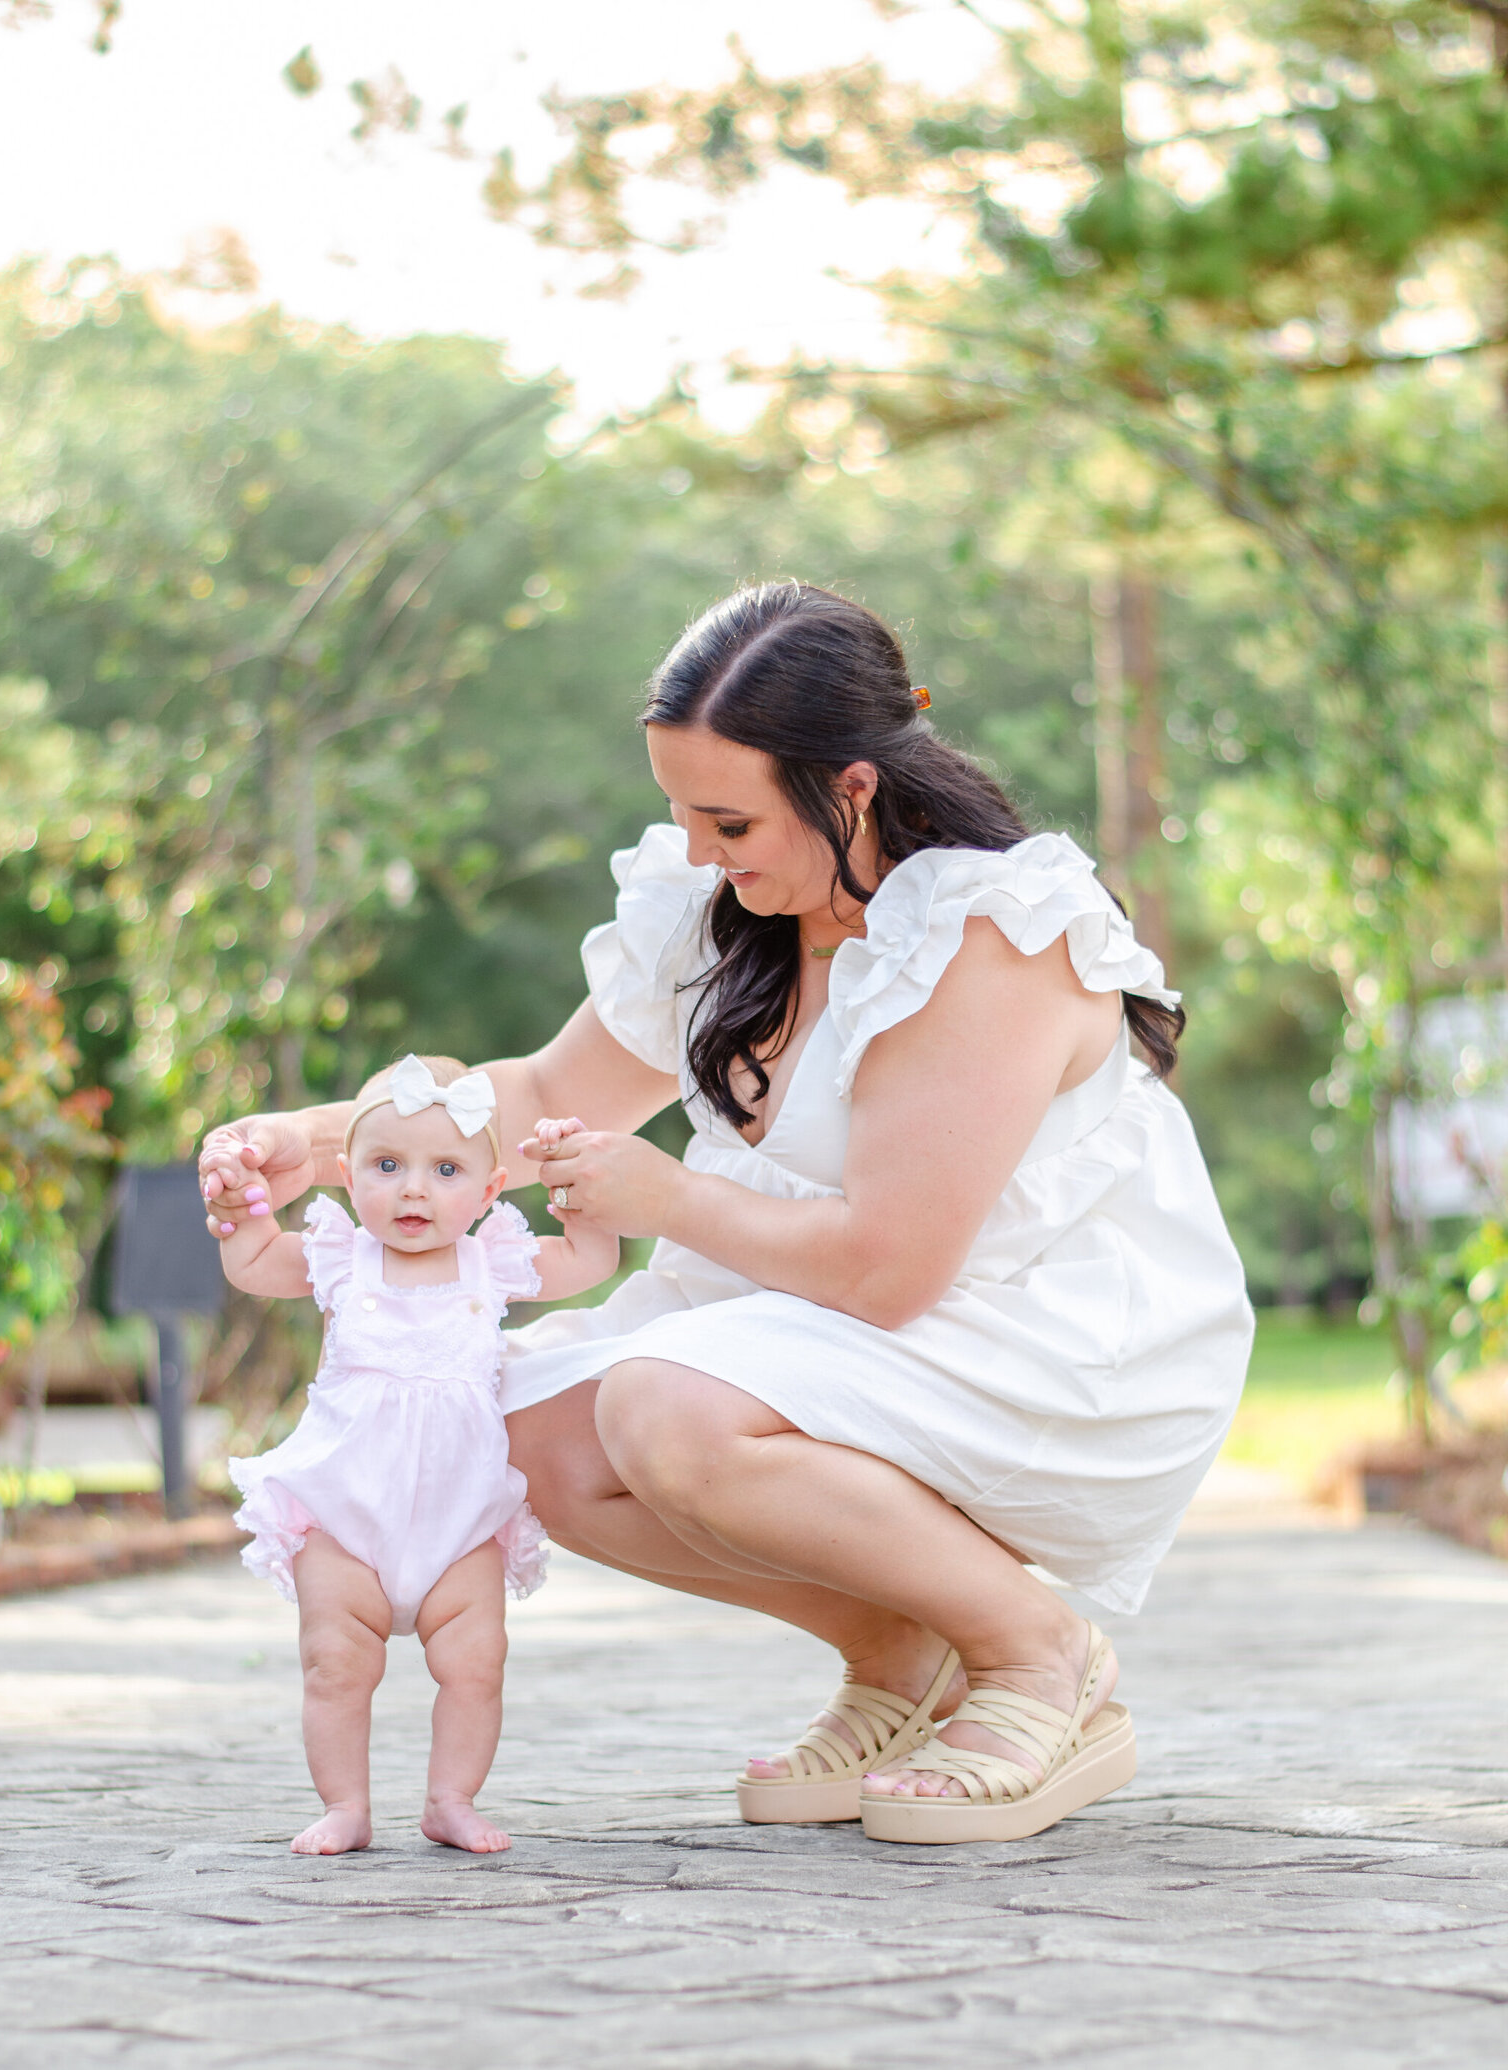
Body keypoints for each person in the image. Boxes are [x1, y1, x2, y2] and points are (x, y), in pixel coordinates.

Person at [201, 581, 1253, 1848]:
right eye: (679, 811)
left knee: (664, 1407)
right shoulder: (737, 906)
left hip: (1045, 1336)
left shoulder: (984, 940)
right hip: (829, 1312)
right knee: (516, 1424)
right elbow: (540, 1094)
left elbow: (889, 1268)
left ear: (849, 787)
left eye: (728, 816)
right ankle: (902, 1658)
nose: (700, 848)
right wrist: (307, 1147)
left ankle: (1039, 1660)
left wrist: (667, 1198)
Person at [213, 1052, 617, 1856]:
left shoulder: (490, 1262)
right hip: (345, 1515)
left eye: (445, 1169)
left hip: (458, 1523)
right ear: (346, 1173)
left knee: (477, 1662)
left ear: (492, 1188)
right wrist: (242, 1205)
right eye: (388, 1165)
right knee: (335, 1663)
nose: (414, 1190)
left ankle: (450, 1798)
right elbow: (255, 1263)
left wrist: (583, 1191)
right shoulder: (340, 1257)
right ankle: (346, 1807)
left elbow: (590, 1262)